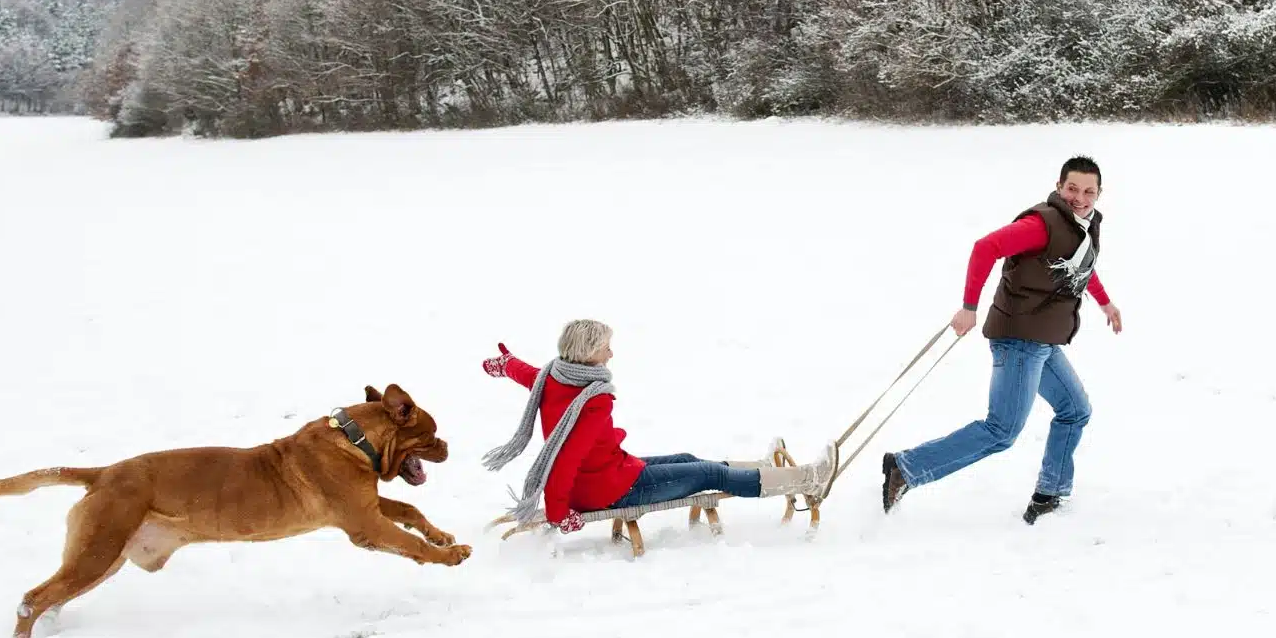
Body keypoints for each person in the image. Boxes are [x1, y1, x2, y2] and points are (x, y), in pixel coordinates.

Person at [881, 156, 1123, 524]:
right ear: (1059, 187)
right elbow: (985, 248)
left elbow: (1080, 267)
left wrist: (1105, 304)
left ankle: (1050, 493)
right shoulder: (1042, 224)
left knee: (1075, 410)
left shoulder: (1081, 227)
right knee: (1002, 430)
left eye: (1089, 191)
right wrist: (968, 306)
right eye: (1072, 188)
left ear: (1099, 194)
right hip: (1020, 340)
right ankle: (906, 468)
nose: (1080, 197)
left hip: (1042, 341)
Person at [479, 319, 830, 532]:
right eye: (606, 348)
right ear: (587, 354)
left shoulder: (554, 375)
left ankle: (765, 470)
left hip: (608, 471)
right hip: (610, 490)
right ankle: (807, 479)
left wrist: (504, 364)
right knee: (710, 475)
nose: (611, 354)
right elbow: (566, 459)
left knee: (687, 457)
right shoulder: (594, 400)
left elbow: (525, 373)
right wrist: (558, 514)